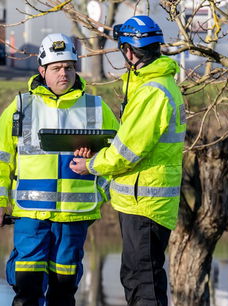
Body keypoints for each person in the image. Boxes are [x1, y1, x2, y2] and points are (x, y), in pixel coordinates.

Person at [0, 33, 119, 306]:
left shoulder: (96, 107)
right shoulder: (21, 107)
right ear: (42, 70)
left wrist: (99, 188)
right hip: (30, 215)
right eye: (57, 68)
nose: (64, 74)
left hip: (74, 216)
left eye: (69, 67)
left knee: (63, 291)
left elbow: (117, 159)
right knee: (26, 290)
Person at [69, 15, 186, 306]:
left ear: (130, 52)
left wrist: (91, 165)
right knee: (140, 277)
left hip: (144, 203)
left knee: (141, 281)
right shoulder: (153, 85)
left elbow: (127, 152)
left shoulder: (152, 92)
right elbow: (131, 141)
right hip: (142, 201)